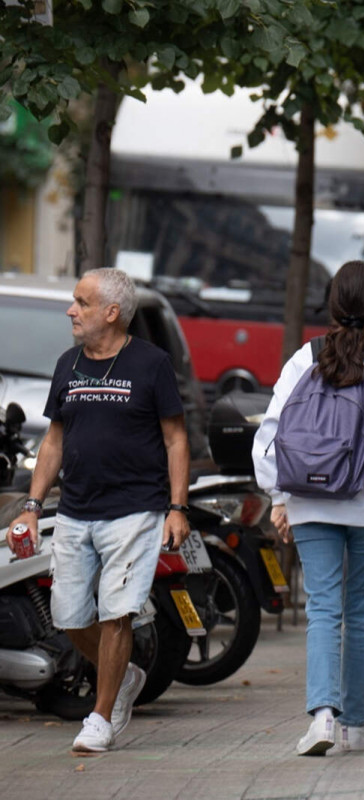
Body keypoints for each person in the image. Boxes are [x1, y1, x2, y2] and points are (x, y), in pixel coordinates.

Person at [4, 268, 190, 753]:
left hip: (135, 510)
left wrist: (176, 507)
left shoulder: (151, 364)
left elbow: (175, 438)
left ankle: (101, 717)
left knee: (116, 613)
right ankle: (124, 674)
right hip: (76, 509)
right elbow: (55, 440)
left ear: (111, 312)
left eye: (81, 303)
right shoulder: (68, 365)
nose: (72, 310)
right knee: (68, 617)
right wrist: (30, 505)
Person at [252, 260, 364, 756]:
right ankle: (355, 725)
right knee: (362, 612)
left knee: (323, 607)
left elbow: (270, 436)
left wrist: (280, 496)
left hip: (308, 500)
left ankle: (322, 718)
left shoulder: (302, 359)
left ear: (331, 305)